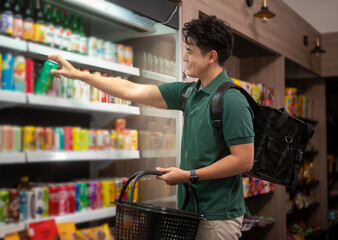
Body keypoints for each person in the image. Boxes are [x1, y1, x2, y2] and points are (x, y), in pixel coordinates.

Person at [49, 15, 254, 240]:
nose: (185, 57)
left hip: (217, 217)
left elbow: (243, 159)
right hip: (190, 210)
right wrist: (78, 74)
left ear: (211, 56)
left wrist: (188, 175)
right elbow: (130, 89)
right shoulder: (189, 93)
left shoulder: (232, 99)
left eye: (190, 51)